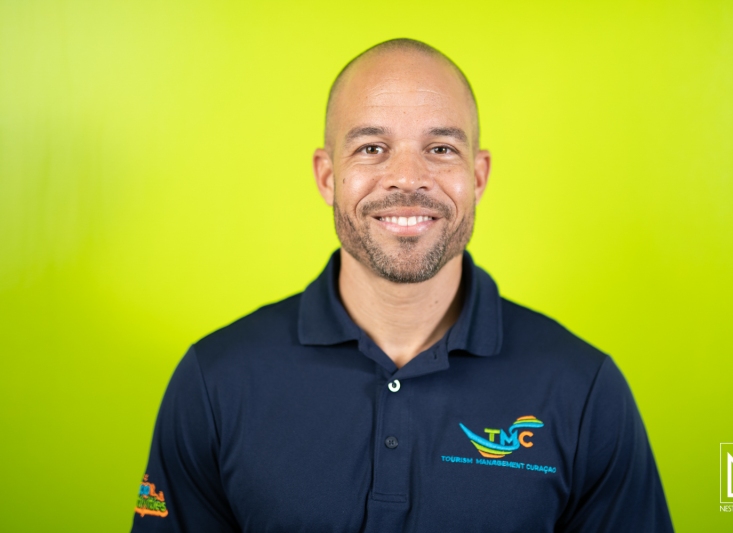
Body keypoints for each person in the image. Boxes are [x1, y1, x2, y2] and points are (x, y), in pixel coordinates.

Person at [131, 38, 674, 532]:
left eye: (441, 149)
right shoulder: (215, 381)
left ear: (478, 176)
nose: (408, 178)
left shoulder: (584, 391)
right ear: (327, 176)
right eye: (371, 148)